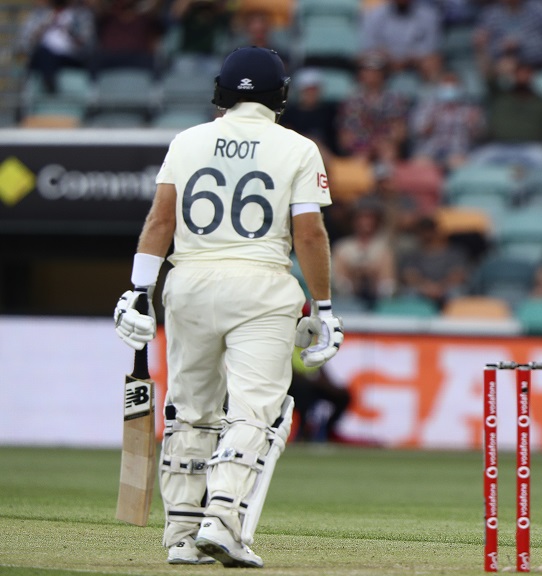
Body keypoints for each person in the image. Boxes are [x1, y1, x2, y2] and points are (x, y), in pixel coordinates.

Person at [111, 47, 343, 568]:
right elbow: (309, 232)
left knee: (189, 409)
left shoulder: (186, 140)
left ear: (220, 92)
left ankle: (180, 536)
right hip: (260, 287)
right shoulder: (299, 148)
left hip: (188, 284)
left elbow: (159, 223)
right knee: (254, 411)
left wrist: (135, 290)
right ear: (280, 97)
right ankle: (223, 521)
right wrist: (324, 308)